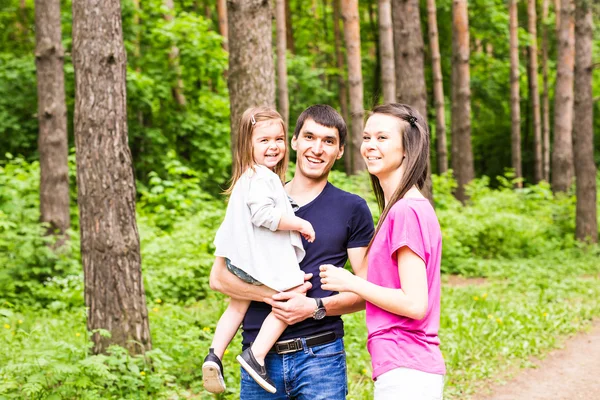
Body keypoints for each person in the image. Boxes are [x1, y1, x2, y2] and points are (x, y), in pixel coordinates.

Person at [209, 104, 375, 399]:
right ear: (295, 142)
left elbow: (368, 291)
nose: (317, 149)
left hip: (320, 358)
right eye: (309, 137)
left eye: (329, 141)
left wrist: (314, 307)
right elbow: (219, 278)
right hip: (257, 360)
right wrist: (273, 295)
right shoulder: (256, 199)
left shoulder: (352, 208)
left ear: (339, 151)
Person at [319, 104, 446, 400]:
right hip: (403, 367)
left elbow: (415, 304)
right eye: (366, 137)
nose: (370, 146)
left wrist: (350, 282)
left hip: (407, 368)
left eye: (382, 138)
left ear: (407, 149)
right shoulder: (401, 208)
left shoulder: (406, 211)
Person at [202, 107, 316, 394]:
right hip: (254, 262)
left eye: (278, 139)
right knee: (294, 291)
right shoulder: (264, 177)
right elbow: (264, 216)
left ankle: (214, 354)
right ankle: (257, 354)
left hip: (237, 260)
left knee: (237, 304)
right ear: (248, 145)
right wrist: (299, 222)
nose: (273, 146)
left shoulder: (247, 178)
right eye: (264, 141)